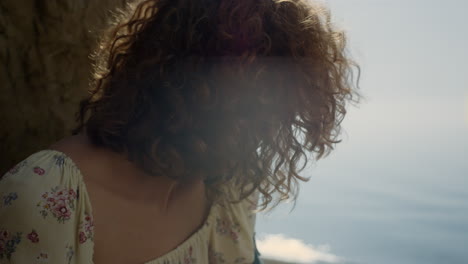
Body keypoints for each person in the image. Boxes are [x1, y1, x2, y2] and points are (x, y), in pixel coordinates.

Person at [0, 0, 359, 263]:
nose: (252, 136)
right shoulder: (46, 196)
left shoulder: (227, 190)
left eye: (269, 117)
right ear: (171, 83)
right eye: (239, 107)